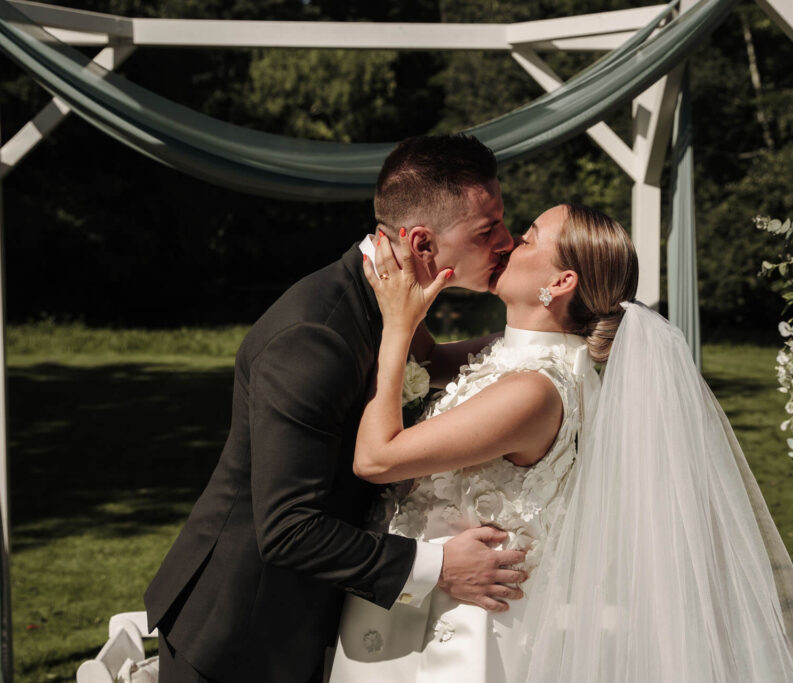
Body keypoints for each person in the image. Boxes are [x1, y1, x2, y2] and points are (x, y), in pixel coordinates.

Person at [328, 203, 793, 682]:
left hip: (459, 629)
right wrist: (406, 265)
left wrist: (397, 326)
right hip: (425, 600)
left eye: (528, 239)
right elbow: (431, 360)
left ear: (561, 282)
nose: (507, 243)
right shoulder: (516, 353)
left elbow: (377, 459)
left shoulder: (533, 391)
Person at [143, 134, 521, 683]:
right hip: (243, 632)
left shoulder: (391, 298)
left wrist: (545, 345)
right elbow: (288, 529)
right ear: (421, 243)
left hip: (314, 617)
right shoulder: (313, 337)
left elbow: (430, 364)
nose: (506, 241)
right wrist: (441, 567)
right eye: (487, 231)